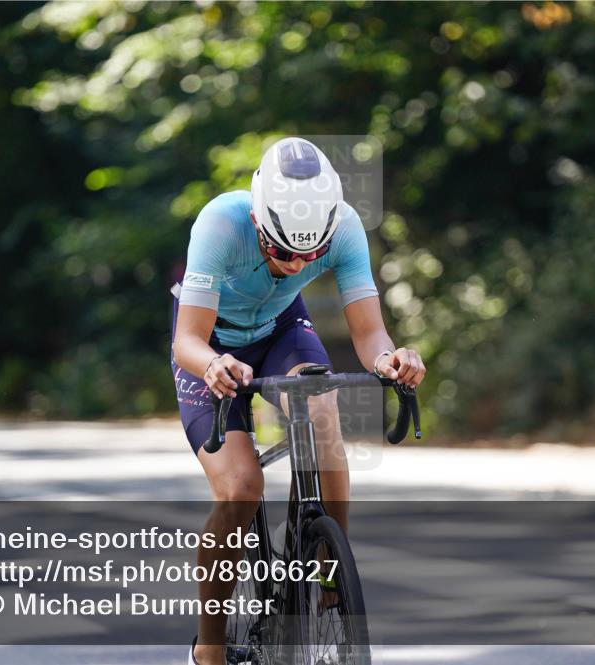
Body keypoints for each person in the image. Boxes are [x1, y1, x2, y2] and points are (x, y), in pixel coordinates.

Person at [170, 137, 426, 665]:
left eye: (311, 254)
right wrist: (215, 364)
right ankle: (211, 647)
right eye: (283, 252)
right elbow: (186, 341)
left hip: (283, 329)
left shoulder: (345, 225)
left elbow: (370, 332)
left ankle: (331, 566)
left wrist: (389, 361)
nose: (298, 264)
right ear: (260, 222)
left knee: (324, 418)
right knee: (241, 487)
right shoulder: (221, 223)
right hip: (212, 345)